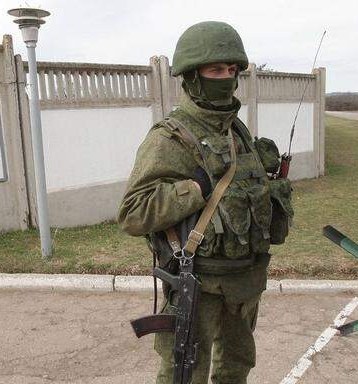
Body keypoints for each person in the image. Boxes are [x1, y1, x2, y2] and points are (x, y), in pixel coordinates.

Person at [118, 21, 293, 384]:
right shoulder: (172, 137)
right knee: (185, 376)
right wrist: (196, 187)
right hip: (199, 285)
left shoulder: (237, 131)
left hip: (245, 281)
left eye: (232, 70)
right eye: (216, 70)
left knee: (237, 369)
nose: (227, 78)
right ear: (193, 76)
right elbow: (134, 213)